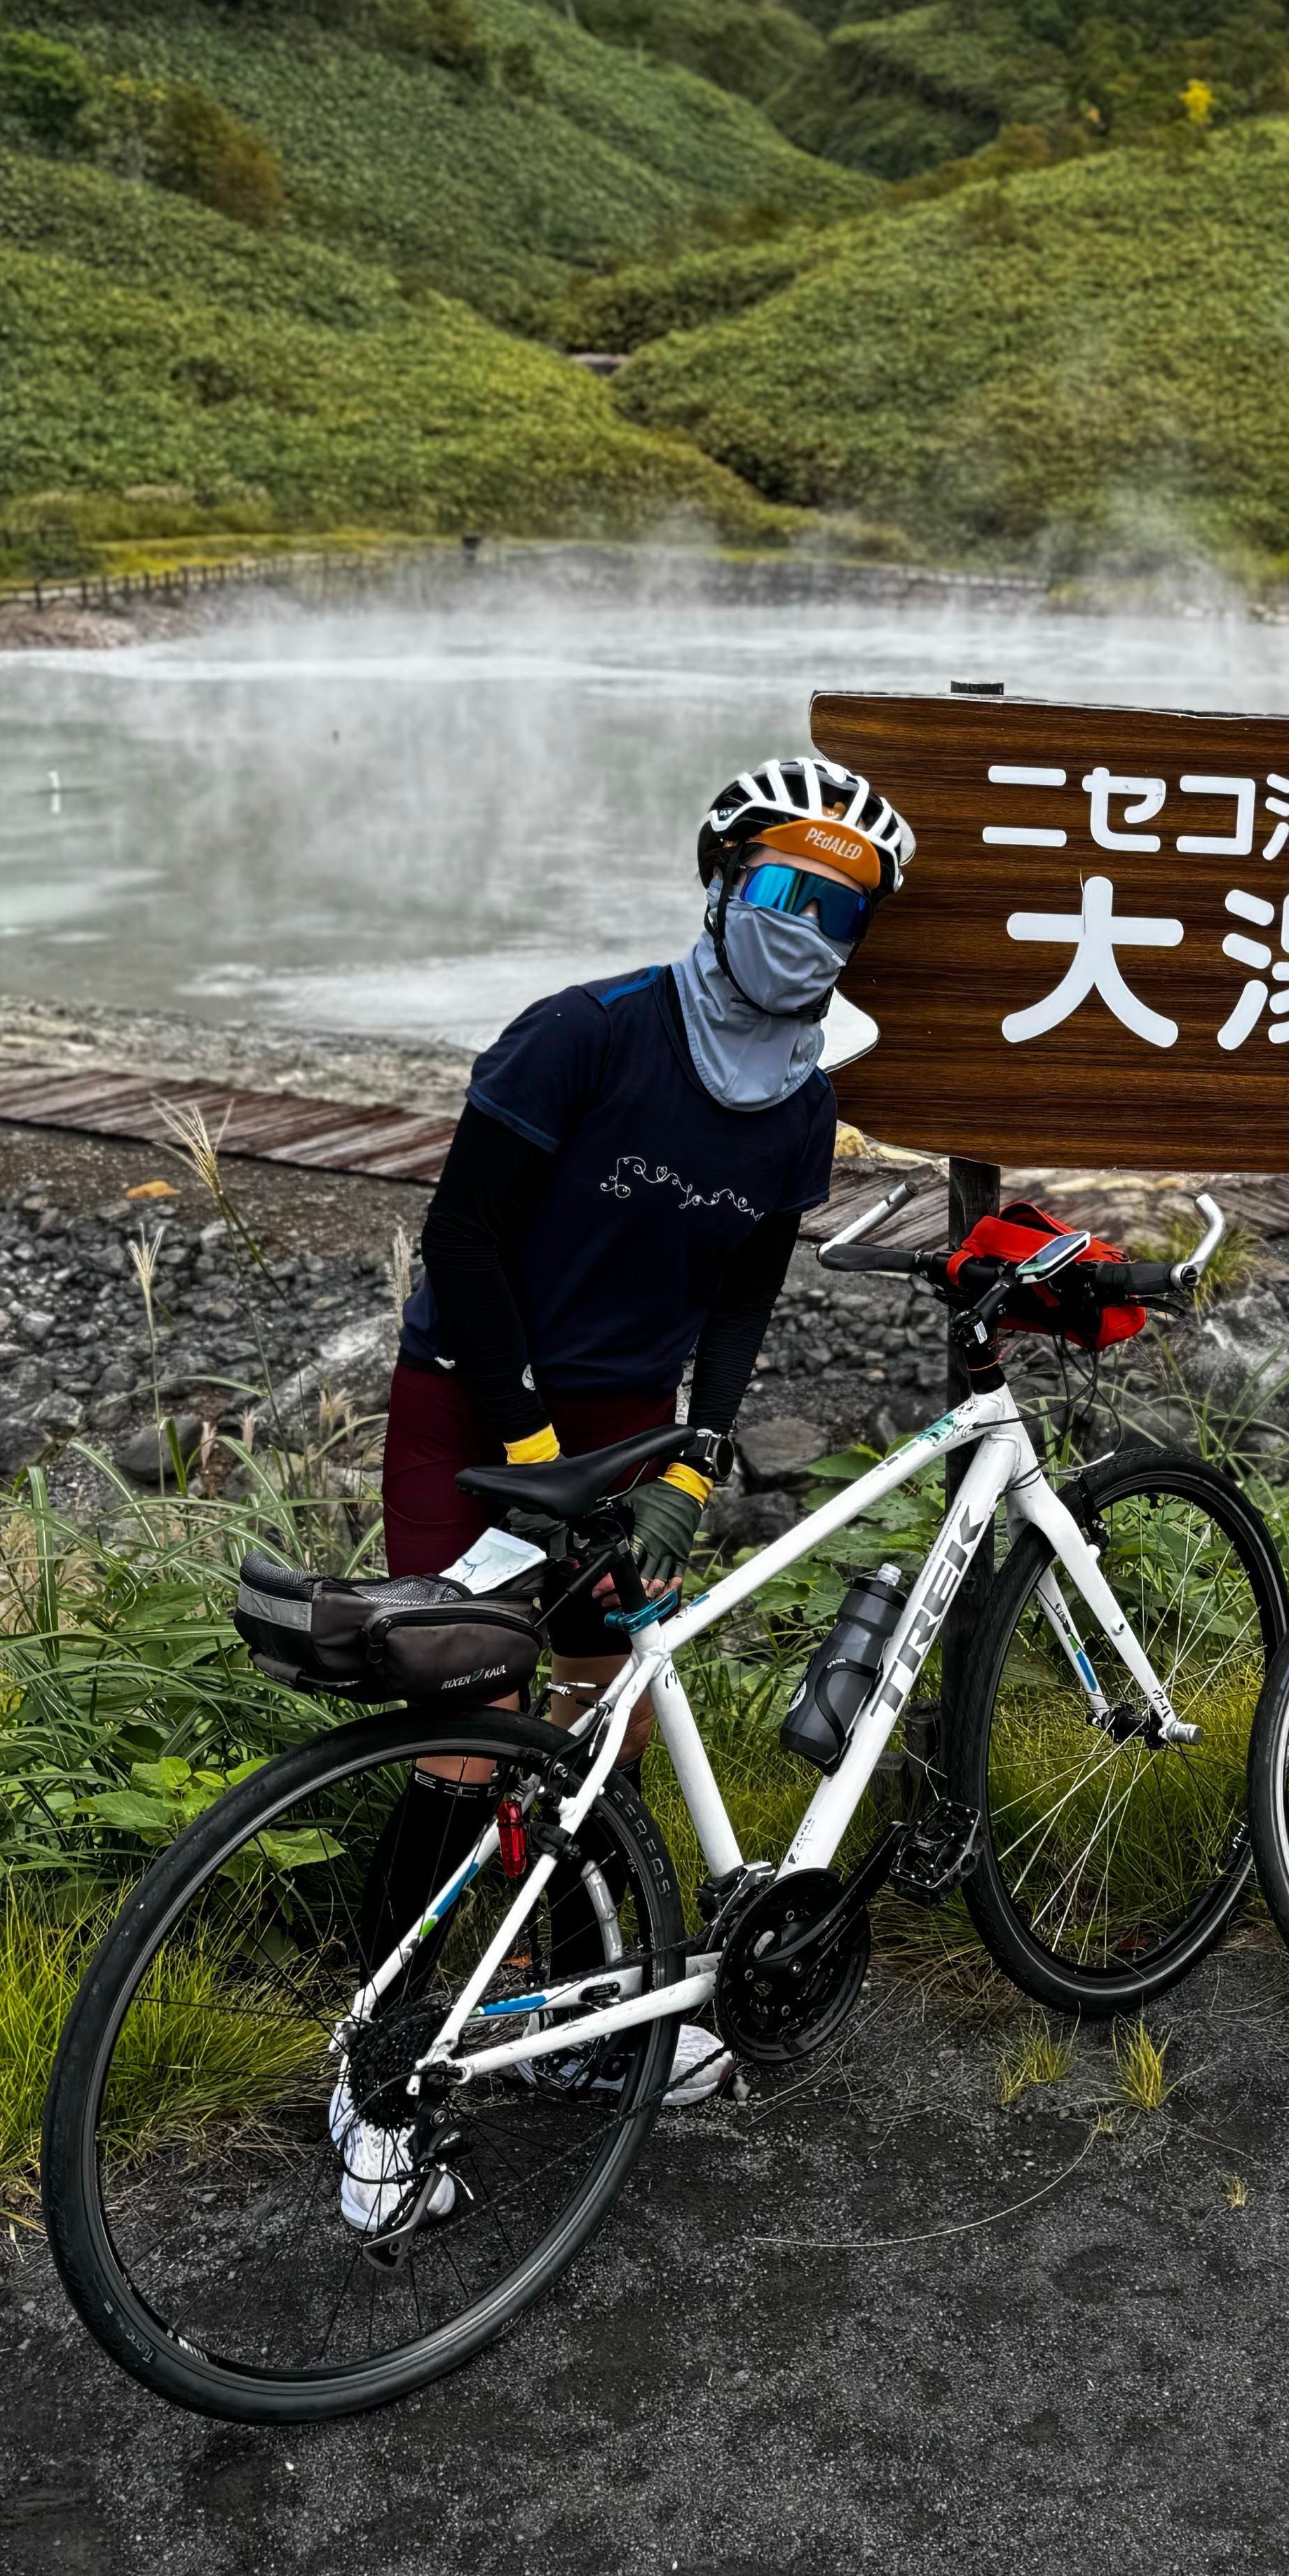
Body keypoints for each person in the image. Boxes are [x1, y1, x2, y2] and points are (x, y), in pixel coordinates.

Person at [374, 753, 914, 2119]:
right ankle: (381, 2023)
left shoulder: (801, 1105)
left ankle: (576, 2018)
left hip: (624, 1422)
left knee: (592, 1728)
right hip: (471, 1398)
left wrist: (695, 1451)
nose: (808, 929)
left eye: (842, 914)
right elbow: (466, 1234)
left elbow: (743, 1292)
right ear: (725, 883)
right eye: (787, 889)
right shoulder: (584, 1035)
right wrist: (531, 1442)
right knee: (465, 1726)